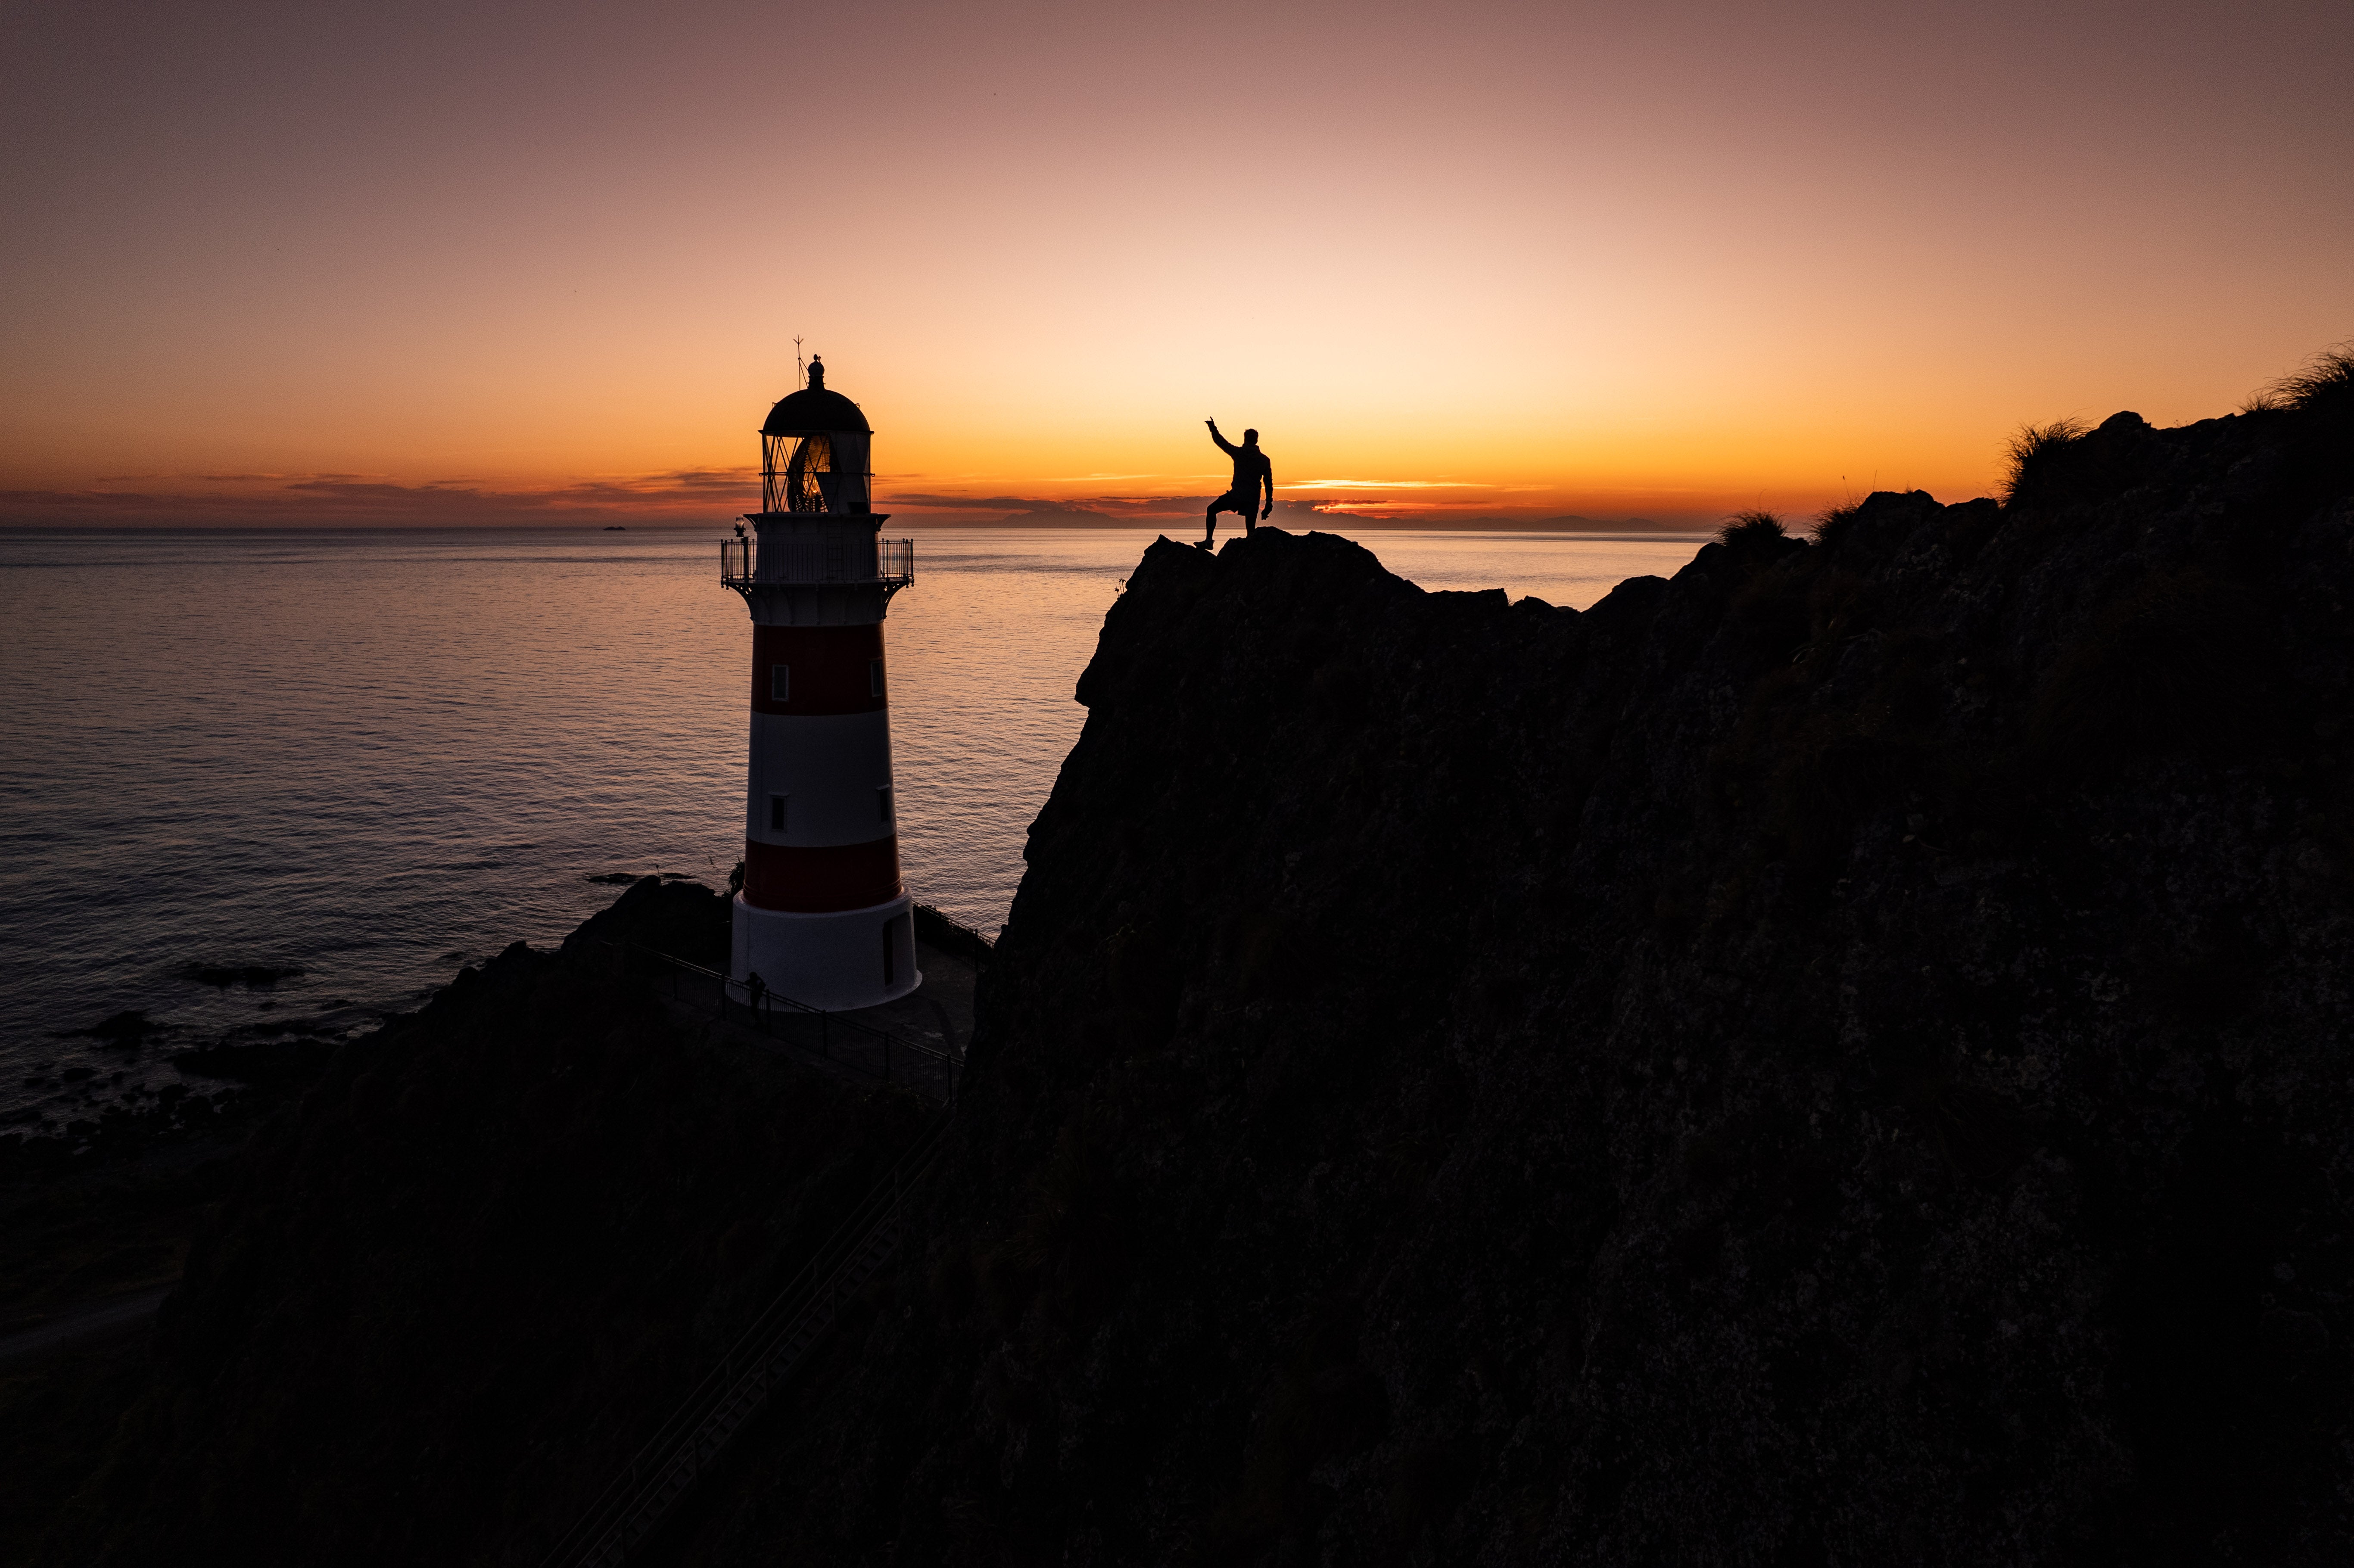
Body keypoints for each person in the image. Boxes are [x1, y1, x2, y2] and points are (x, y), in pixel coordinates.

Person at [1203, 419, 1273, 548]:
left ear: (1245, 440)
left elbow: (1221, 442)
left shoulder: (1238, 453)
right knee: (1251, 533)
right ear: (1256, 441)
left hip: (1237, 496)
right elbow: (1269, 484)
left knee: (1211, 510)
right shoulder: (1264, 460)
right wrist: (1269, 503)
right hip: (1253, 499)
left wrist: (1213, 429)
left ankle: (1209, 541)